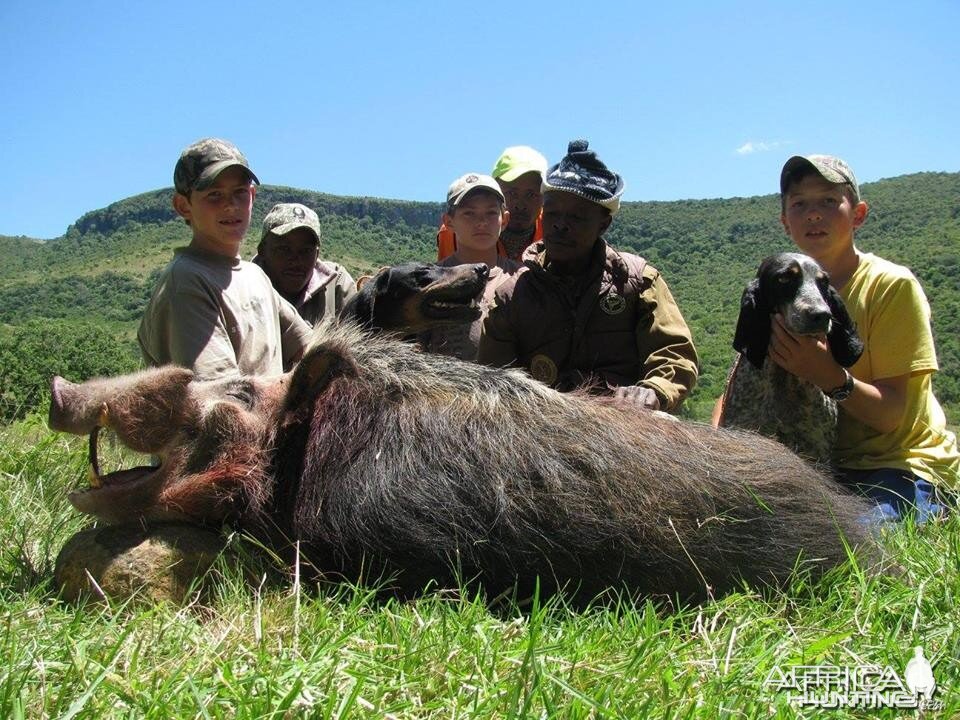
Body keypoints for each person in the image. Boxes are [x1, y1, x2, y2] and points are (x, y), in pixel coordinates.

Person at [772, 154, 958, 518]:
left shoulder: (891, 286)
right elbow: (741, 378)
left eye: (829, 200)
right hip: (823, 466)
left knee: (852, 550)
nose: (813, 214)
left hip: (900, 464)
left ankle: (937, 504)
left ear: (858, 214)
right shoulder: (781, 288)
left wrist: (825, 374)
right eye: (799, 204)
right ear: (784, 221)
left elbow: (892, 416)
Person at [478, 140, 699, 412]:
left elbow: (673, 353)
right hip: (541, 430)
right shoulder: (512, 295)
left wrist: (654, 390)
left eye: (577, 217)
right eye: (553, 213)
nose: (560, 225)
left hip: (626, 426)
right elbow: (492, 379)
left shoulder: (637, 282)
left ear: (604, 223)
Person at [138, 138, 312, 380]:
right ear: (183, 206)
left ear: (252, 195)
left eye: (239, 192)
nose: (230, 205)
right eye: (214, 195)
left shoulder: (254, 275)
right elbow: (224, 401)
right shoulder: (187, 282)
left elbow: (312, 349)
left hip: (267, 416)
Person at [420, 173, 519, 361]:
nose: (481, 222)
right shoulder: (429, 281)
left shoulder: (522, 278)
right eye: (469, 213)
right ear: (449, 221)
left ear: (504, 220)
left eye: (491, 213)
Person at [437, 145, 547, 262]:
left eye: (531, 195)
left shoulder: (554, 228)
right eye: (512, 193)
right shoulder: (454, 232)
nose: (520, 205)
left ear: (544, 197)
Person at [253, 202, 357, 326]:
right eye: (284, 249)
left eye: (306, 251)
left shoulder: (336, 285)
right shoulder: (241, 287)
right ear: (262, 251)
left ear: (317, 254)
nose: (296, 260)